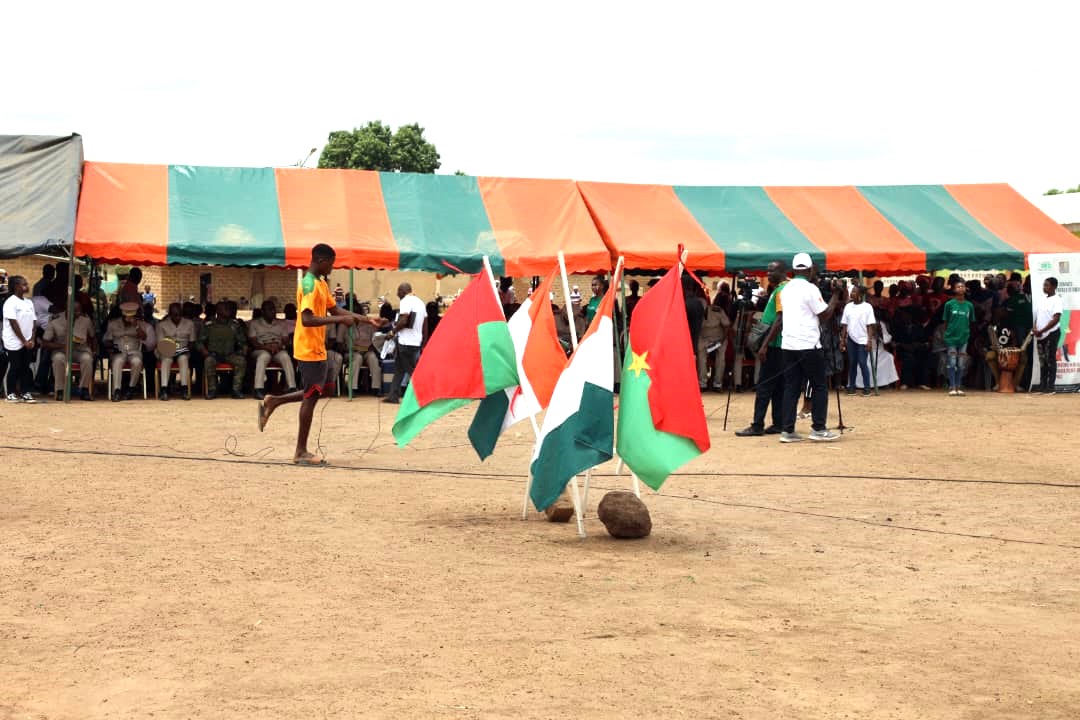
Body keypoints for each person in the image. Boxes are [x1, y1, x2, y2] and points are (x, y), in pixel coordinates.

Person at [258, 244, 378, 465]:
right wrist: (340, 321)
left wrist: (365, 319)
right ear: (322, 261)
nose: (333, 267)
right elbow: (307, 319)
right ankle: (300, 451)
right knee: (311, 396)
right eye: (332, 263)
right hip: (307, 348)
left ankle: (273, 401)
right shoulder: (309, 285)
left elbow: (335, 310)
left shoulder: (321, 283)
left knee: (320, 390)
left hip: (318, 347)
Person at [778, 253, 842, 443]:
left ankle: (787, 431)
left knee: (791, 387)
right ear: (809, 269)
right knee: (819, 386)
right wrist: (836, 296)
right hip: (808, 344)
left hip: (788, 345)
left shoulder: (786, 289)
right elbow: (824, 315)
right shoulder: (810, 289)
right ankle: (818, 429)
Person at [735, 260, 788, 437]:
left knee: (764, 386)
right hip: (781, 345)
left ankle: (757, 425)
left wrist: (764, 345)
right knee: (779, 386)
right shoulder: (782, 288)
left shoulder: (781, 291)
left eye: (771, 271)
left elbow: (780, 319)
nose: (768, 274)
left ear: (781, 271)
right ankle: (779, 423)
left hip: (774, 345)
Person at [383, 282, 428, 405]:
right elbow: (425, 323)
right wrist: (424, 340)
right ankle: (393, 395)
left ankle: (424, 395)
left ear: (403, 291)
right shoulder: (420, 302)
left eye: (398, 291)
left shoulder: (405, 301)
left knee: (411, 370)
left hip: (405, 342)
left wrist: (392, 332)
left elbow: (403, 320)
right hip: (415, 342)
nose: (397, 294)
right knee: (399, 369)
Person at [42, 301, 95, 401]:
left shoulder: (85, 320)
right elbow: (45, 342)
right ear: (68, 310)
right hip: (61, 350)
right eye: (76, 311)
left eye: (80, 311)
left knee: (87, 359)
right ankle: (60, 390)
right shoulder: (55, 321)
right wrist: (62, 346)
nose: (79, 313)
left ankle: (84, 389)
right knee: (58, 359)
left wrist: (93, 350)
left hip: (80, 350)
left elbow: (92, 337)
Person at [248, 300, 297, 400]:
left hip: (277, 348)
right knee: (264, 357)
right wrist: (267, 347)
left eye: (274, 309)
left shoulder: (281, 323)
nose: (273, 311)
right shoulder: (254, 324)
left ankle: (292, 387)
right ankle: (259, 389)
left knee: (285, 356)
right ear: (263, 311)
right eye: (270, 309)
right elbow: (253, 342)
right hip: (260, 349)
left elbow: (286, 340)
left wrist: (278, 346)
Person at [198, 301, 248, 399]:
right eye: (226, 309)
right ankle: (212, 390)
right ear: (219, 311)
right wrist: (204, 352)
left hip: (230, 354)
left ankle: (236, 390)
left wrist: (244, 350)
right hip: (214, 355)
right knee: (208, 361)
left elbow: (242, 341)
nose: (229, 311)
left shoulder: (234, 325)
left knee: (241, 361)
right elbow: (199, 342)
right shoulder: (209, 325)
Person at [3, 276, 38, 402]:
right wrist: (23, 341)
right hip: (14, 341)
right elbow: (13, 323)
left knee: (25, 367)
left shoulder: (29, 302)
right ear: (16, 286)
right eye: (24, 284)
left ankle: (25, 392)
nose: (27, 286)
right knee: (15, 366)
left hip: (28, 341)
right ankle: (11, 393)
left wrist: (32, 339)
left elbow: (34, 322)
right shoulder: (10, 302)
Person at [104, 302, 146, 401]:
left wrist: (136, 326)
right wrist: (112, 346)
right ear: (123, 315)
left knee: (137, 362)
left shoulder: (139, 323)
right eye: (127, 317)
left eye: (131, 317)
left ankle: (131, 389)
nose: (129, 319)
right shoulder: (113, 324)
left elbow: (144, 337)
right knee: (118, 362)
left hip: (134, 351)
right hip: (119, 351)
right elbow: (107, 340)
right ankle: (117, 390)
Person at [839, 285, 877, 397]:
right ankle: (852, 387)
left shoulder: (867, 307)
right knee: (852, 363)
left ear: (860, 295)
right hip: (851, 339)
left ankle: (867, 388)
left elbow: (870, 325)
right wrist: (842, 340)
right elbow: (845, 325)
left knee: (862, 362)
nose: (852, 294)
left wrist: (869, 340)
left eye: (854, 292)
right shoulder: (848, 307)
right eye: (852, 291)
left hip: (863, 339)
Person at [156, 302, 196, 400]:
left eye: (179, 314)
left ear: (182, 313)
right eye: (174, 315)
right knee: (166, 360)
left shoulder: (189, 323)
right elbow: (160, 343)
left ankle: (184, 389)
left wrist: (185, 350)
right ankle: (164, 389)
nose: (177, 317)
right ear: (169, 314)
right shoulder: (162, 325)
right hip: (166, 349)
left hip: (183, 350)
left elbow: (192, 343)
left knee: (183, 359)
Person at [942, 282, 975, 396]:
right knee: (951, 362)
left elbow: (970, 321)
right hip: (951, 337)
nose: (960, 288)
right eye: (958, 286)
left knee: (961, 363)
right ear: (954, 289)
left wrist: (966, 333)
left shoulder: (969, 305)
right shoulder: (949, 304)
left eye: (962, 286)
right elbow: (945, 322)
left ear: (965, 289)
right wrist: (947, 334)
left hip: (963, 338)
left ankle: (958, 386)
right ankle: (952, 386)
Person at [1033, 277, 1063, 395]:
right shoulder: (1042, 299)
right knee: (1042, 361)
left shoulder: (1057, 300)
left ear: (1054, 287)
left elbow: (1056, 318)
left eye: (1047, 285)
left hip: (1051, 333)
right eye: (1044, 285)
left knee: (1050, 360)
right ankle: (1042, 385)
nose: (1044, 287)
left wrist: (1043, 330)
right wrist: (1035, 328)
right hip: (1040, 334)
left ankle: (1051, 387)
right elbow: (1038, 316)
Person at [893, 308, 932, 390]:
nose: (906, 317)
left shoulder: (919, 327)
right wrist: (905, 346)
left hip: (917, 349)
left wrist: (918, 345)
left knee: (924, 357)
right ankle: (905, 383)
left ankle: (922, 383)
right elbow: (894, 342)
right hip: (903, 350)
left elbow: (926, 342)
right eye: (904, 316)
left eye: (907, 315)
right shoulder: (898, 327)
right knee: (908, 358)